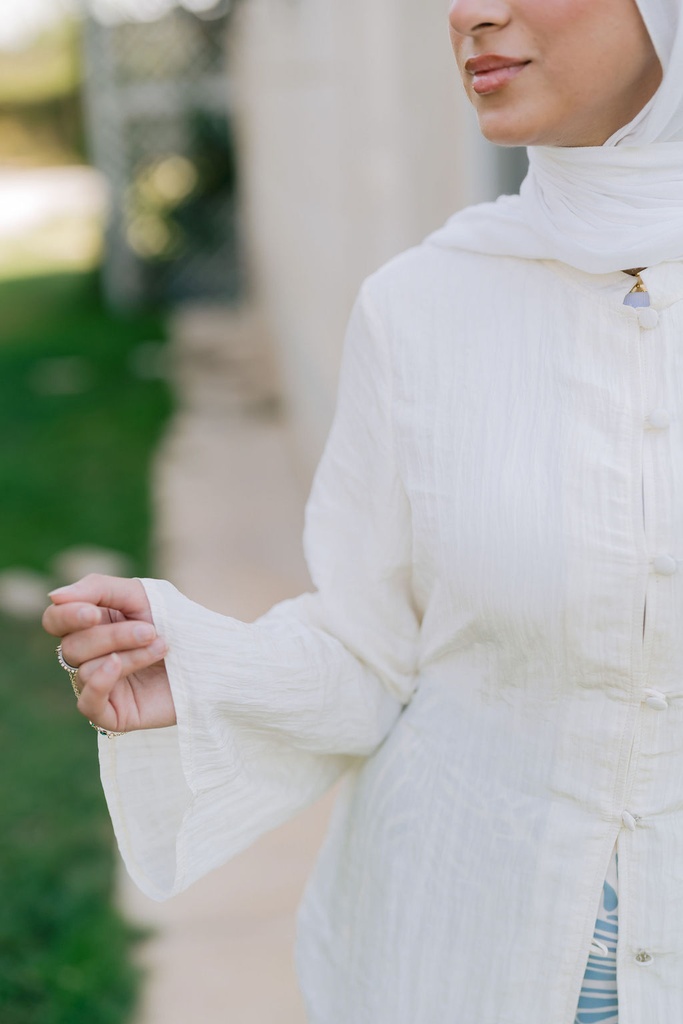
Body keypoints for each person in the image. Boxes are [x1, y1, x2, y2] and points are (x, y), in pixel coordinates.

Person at [43, 0, 683, 1020]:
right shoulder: (422, 305)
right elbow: (373, 648)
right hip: (474, 959)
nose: (471, 13)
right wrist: (209, 671)